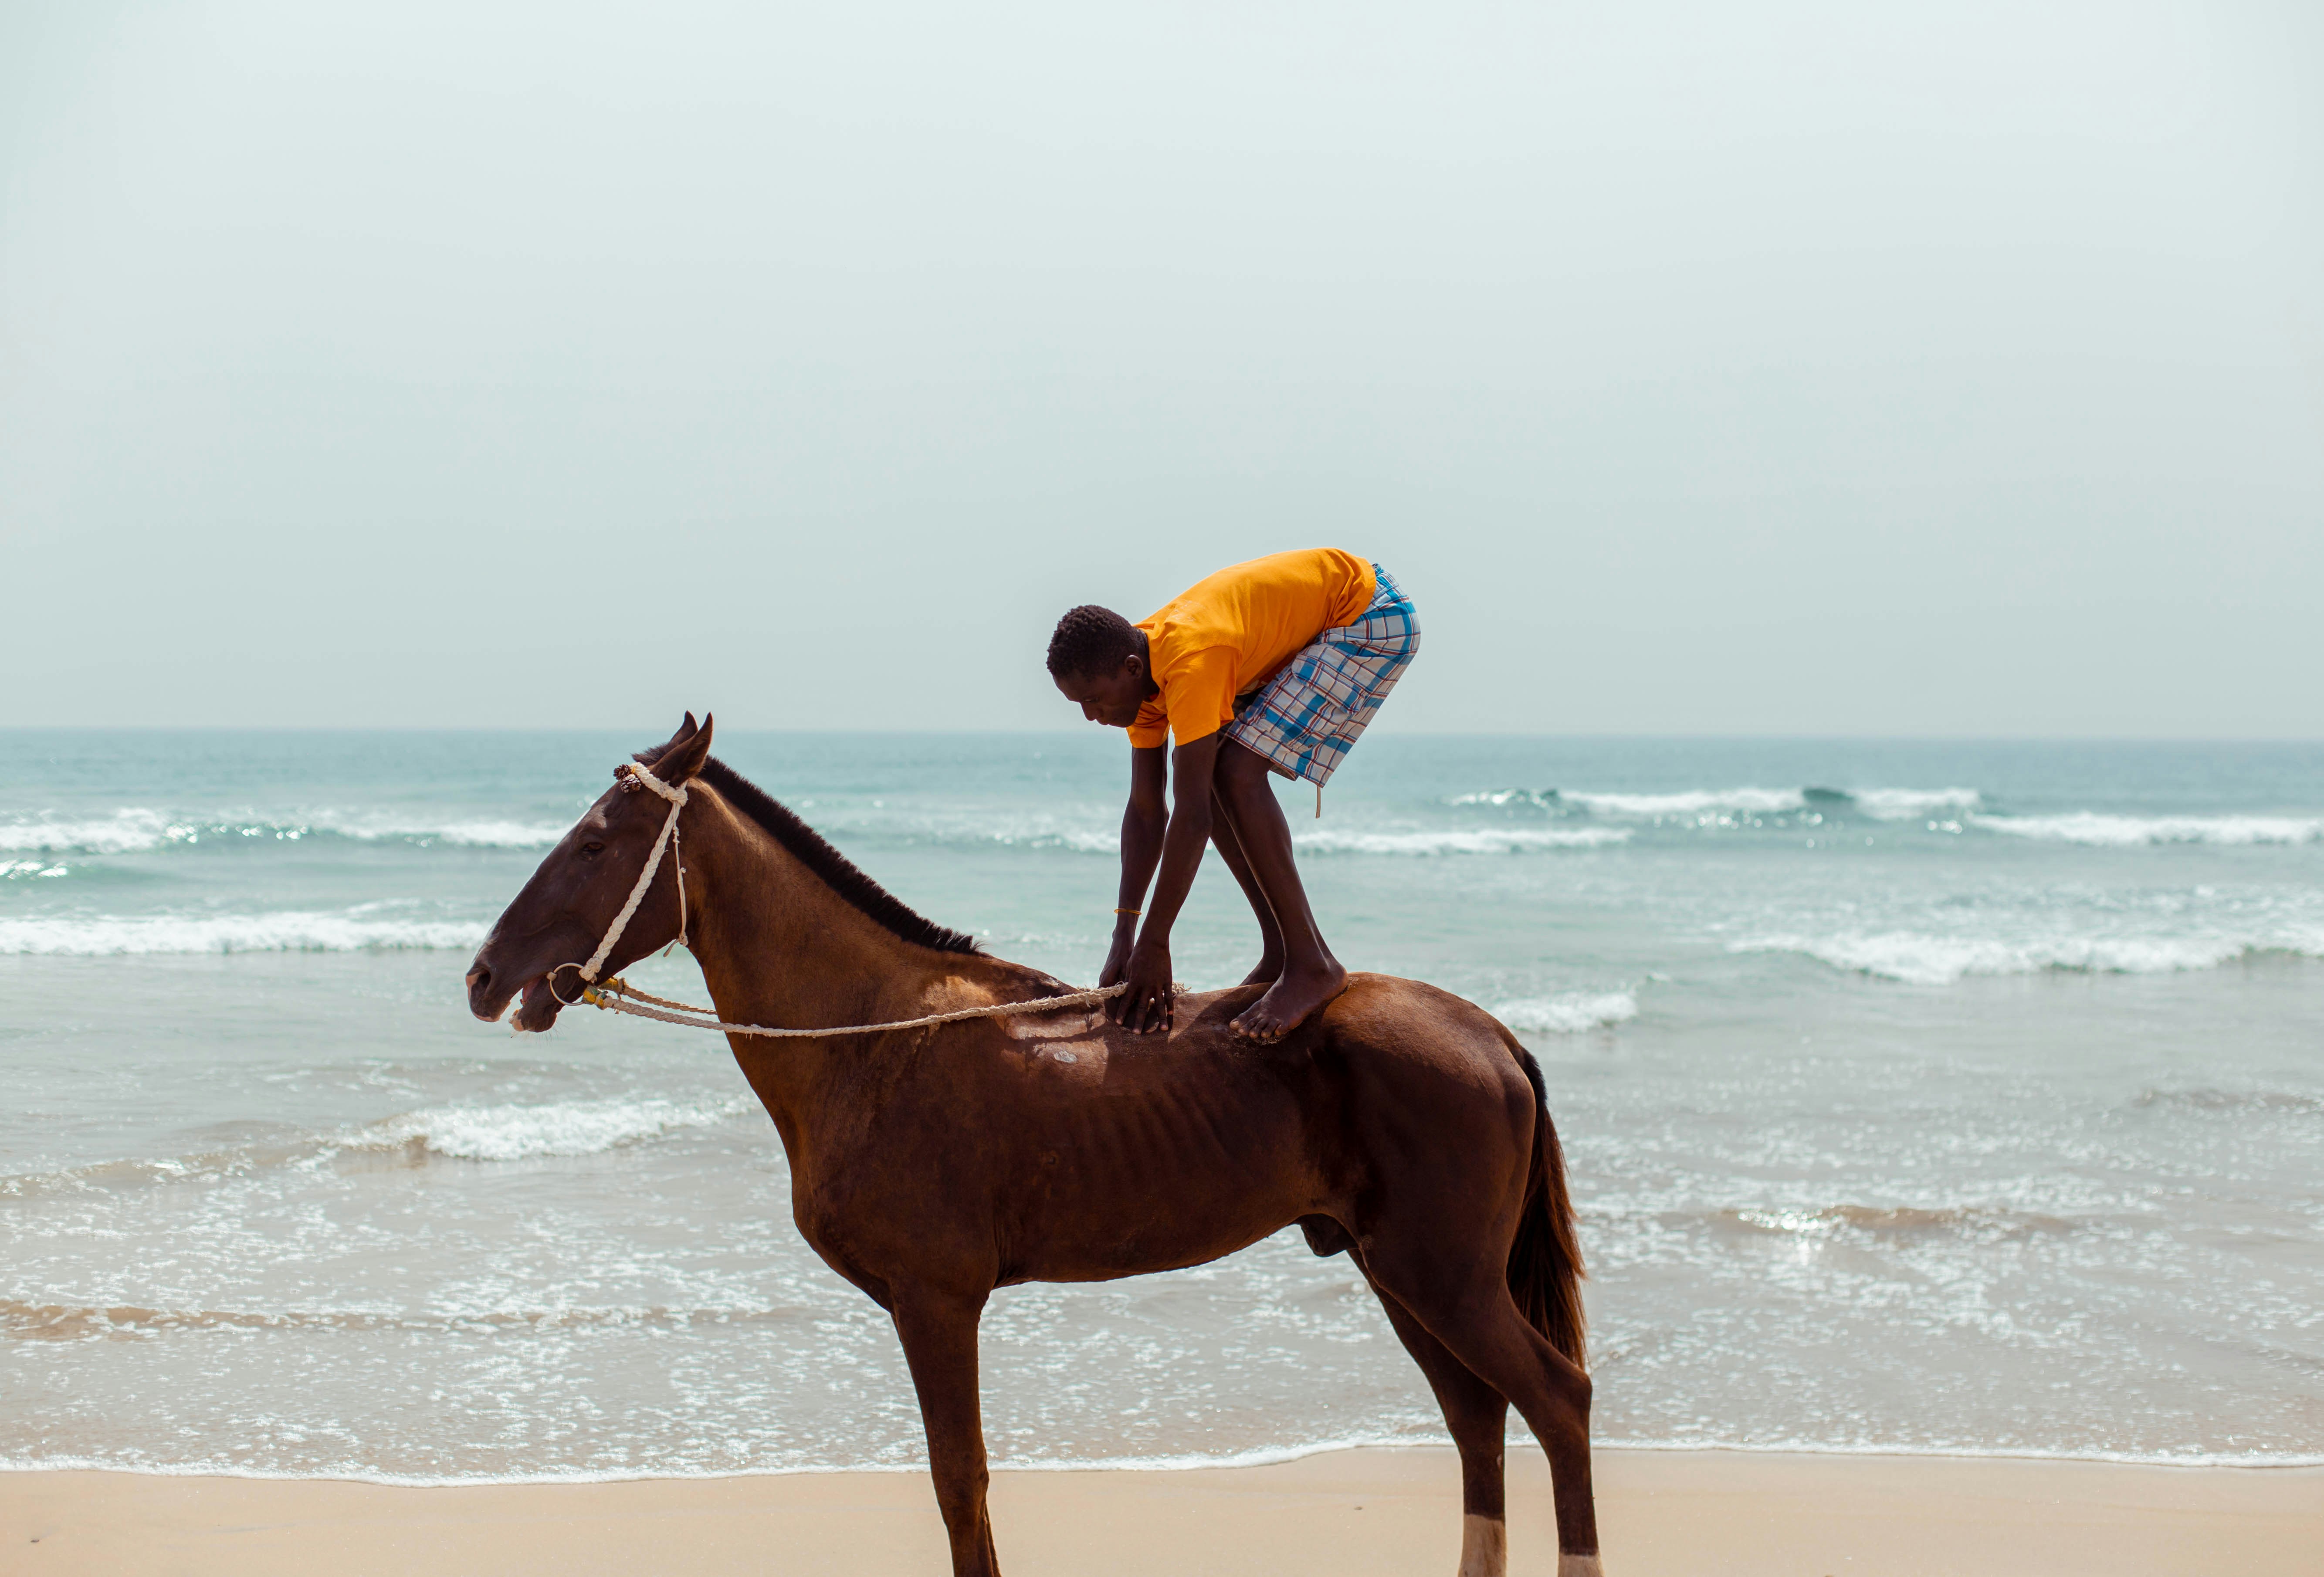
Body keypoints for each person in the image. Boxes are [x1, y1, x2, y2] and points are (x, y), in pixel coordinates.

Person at [1046, 548, 1420, 1041]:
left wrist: (1155, 944)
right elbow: (1146, 809)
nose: (1091, 716)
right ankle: (1282, 951)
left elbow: (1193, 817)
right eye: (1080, 704)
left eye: (1094, 700)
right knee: (1213, 771)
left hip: (1368, 614)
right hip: (1317, 620)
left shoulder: (1192, 659)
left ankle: (1312, 963)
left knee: (1235, 769)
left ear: (1132, 668)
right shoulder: (1141, 679)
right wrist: (1126, 934)